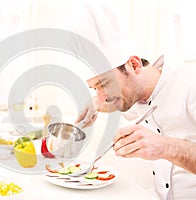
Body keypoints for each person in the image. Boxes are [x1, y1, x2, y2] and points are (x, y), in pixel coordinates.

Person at [70, 3, 196, 200]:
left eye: (104, 84)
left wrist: (165, 146)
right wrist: (95, 103)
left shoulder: (190, 85)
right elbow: (114, 103)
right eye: (95, 87)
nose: (102, 95)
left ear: (134, 64)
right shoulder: (134, 94)